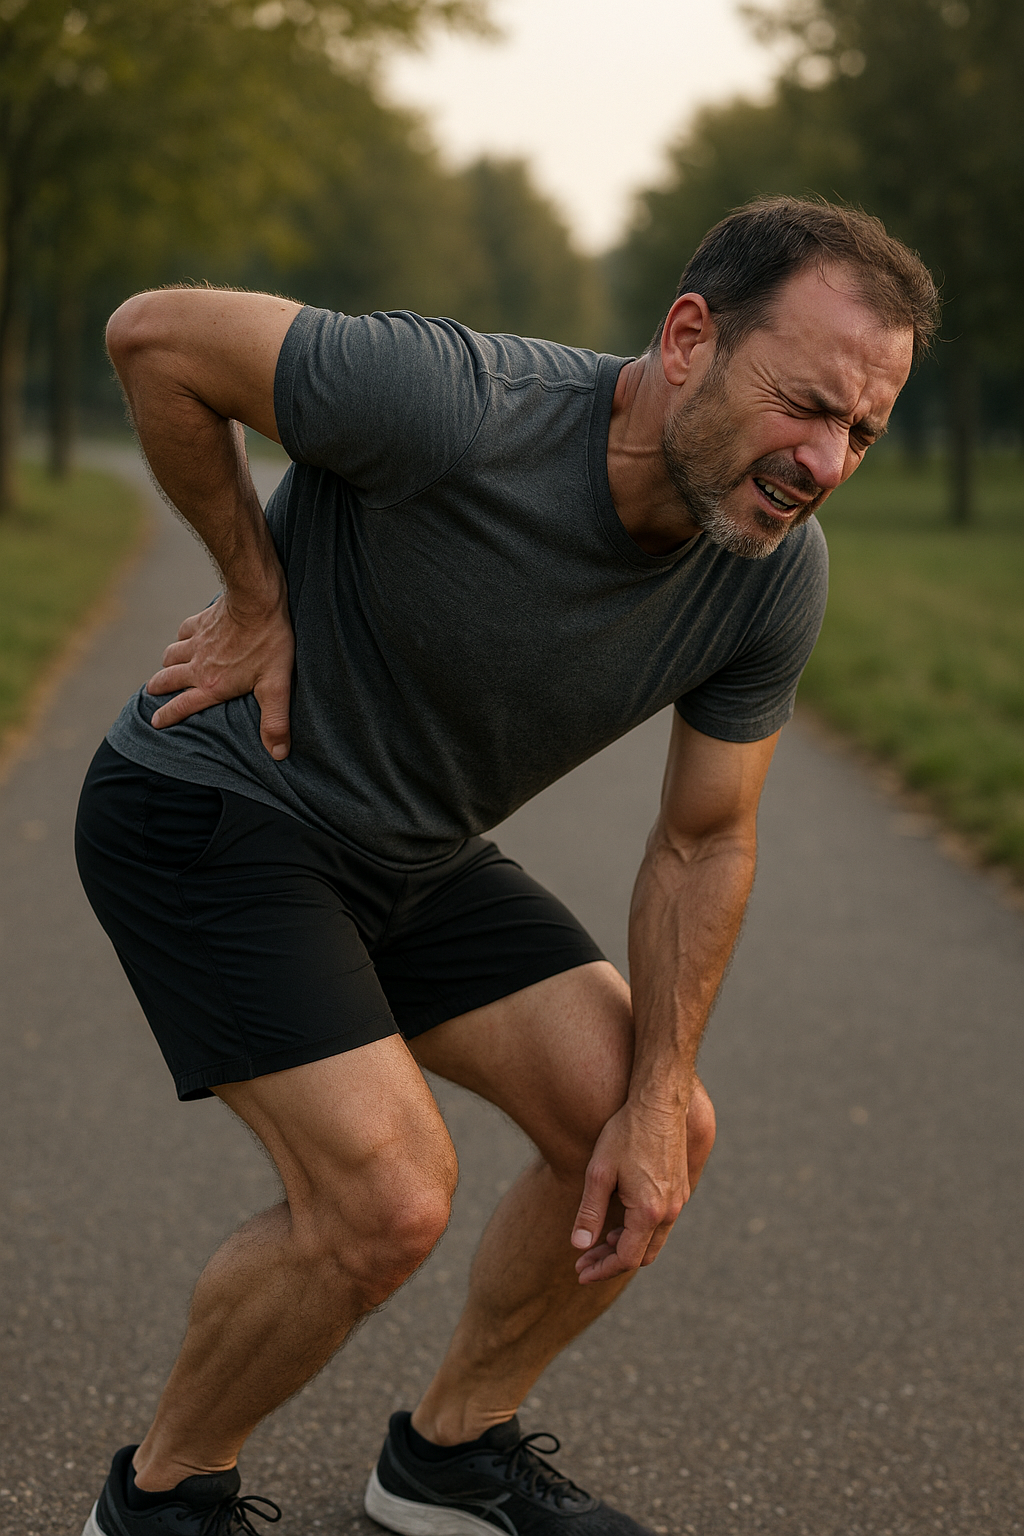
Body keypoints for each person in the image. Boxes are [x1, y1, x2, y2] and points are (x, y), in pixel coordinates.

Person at [75, 197, 937, 1536]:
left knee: (654, 1129)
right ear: (690, 338)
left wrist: (657, 1091)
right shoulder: (458, 405)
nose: (825, 461)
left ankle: (449, 1459)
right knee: (384, 1200)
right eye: (806, 404)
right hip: (212, 807)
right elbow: (157, 340)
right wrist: (253, 591)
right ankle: (163, 1501)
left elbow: (704, 835)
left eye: (862, 432)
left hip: (409, 854)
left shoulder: (771, 577)